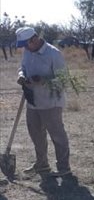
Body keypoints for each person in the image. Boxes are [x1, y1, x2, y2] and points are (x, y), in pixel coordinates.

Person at [15, 26, 72, 178]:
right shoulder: (27, 51)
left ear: (34, 39)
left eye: (26, 44)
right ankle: (42, 164)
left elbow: (63, 79)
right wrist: (21, 75)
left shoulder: (53, 54)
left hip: (51, 102)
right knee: (36, 134)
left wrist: (43, 80)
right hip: (32, 101)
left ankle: (63, 167)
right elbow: (23, 67)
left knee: (57, 135)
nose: (25, 48)